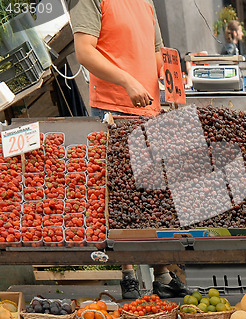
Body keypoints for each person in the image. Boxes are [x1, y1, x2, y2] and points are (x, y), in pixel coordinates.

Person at [68, 0, 192, 299]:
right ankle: (128, 275)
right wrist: (127, 80)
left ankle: (162, 273)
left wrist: (171, 80)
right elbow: (85, 51)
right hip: (112, 109)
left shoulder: (146, 2)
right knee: (120, 195)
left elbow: (156, 53)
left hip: (149, 109)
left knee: (152, 194)